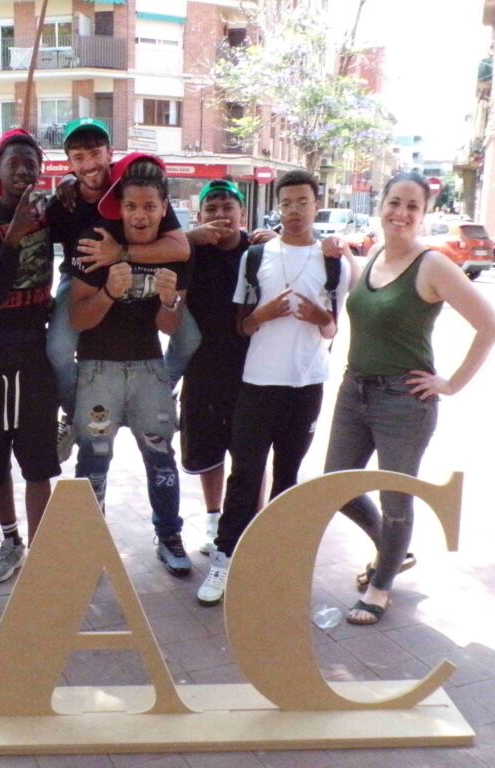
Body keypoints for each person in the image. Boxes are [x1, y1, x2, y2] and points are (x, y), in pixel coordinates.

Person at [325, 171, 495, 625]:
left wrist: (450, 384)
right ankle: (393, 551)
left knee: (396, 500)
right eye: (395, 202)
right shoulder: (376, 255)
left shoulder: (433, 265)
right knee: (335, 488)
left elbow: (490, 325)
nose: (401, 213)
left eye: (412, 206)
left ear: (423, 214)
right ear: (381, 205)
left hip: (402, 401)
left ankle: (381, 587)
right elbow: (366, 299)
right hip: (354, 390)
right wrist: (342, 251)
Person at [196, 169, 351, 607]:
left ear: (316, 205)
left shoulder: (333, 261)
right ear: (277, 207)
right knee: (245, 474)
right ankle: (224, 559)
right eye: (287, 203)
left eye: (303, 202)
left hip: (306, 384)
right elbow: (242, 326)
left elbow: (333, 329)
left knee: (288, 477)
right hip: (258, 382)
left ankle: (278, 563)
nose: (295, 211)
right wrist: (263, 315)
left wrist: (320, 318)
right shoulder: (256, 256)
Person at [69, 153, 192, 577]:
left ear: (164, 208)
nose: (140, 215)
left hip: (148, 370)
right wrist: (108, 293)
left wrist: (169, 302)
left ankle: (170, 536)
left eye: (150, 207)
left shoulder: (175, 253)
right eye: (132, 206)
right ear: (119, 208)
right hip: (98, 370)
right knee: (93, 460)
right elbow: (77, 319)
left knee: (161, 458)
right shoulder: (96, 241)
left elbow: (170, 326)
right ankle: (89, 545)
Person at [46, 118, 192, 464]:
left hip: (141, 272)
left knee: (190, 338)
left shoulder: (130, 185)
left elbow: (179, 246)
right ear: (69, 163)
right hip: (82, 278)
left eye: (95, 153)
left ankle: (161, 391)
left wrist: (121, 253)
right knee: (58, 349)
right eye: (78, 157)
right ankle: (74, 413)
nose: (89, 164)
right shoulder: (64, 201)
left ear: (109, 153)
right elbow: (39, 247)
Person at [0, 130, 61, 583]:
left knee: (38, 458)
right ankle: (11, 540)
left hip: (33, 351)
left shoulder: (49, 214)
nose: (23, 171)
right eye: (13, 164)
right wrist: (14, 237)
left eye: (30, 163)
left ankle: (41, 551)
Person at [179, 180, 251, 554]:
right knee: (207, 452)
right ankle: (213, 519)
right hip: (202, 368)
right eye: (212, 209)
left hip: (251, 371)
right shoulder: (190, 252)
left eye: (228, 208)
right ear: (200, 215)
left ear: (243, 214)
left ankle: (248, 524)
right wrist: (190, 238)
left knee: (249, 455)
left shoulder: (259, 253)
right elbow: (157, 251)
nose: (220, 215)